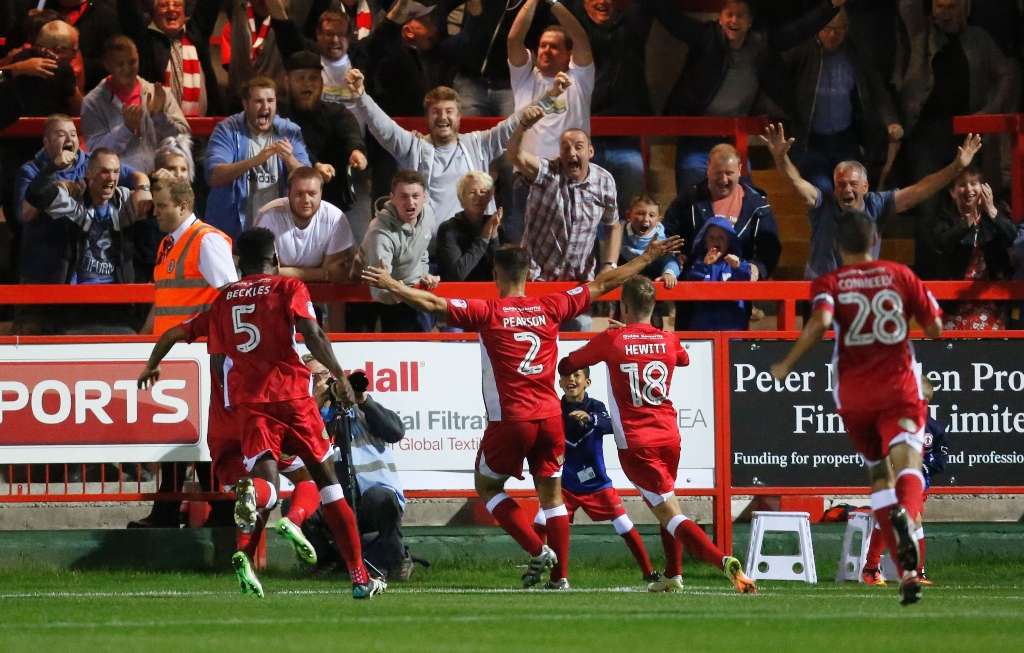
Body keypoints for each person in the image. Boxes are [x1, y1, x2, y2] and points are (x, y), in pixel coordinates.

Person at [362, 234, 683, 590]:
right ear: (528, 273)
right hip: (550, 417)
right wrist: (647, 257)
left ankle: (536, 549)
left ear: (496, 274)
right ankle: (560, 578)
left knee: (486, 485)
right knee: (553, 496)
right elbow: (603, 283)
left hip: (512, 420)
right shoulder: (551, 306)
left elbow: (433, 304)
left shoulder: (487, 311)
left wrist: (394, 284)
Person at [138, 227, 384, 600]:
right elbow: (312, 332)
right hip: (293, 399)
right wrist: (338, 374)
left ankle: (252, 523)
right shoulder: (288, 288)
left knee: (265, 484)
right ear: (277, 260)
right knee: (328, 484)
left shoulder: (223, 301)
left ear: (238, 262)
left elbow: (173, 333)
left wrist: (151, 366)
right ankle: (359, 577)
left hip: (252, 407)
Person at [770, 211, 943, 605]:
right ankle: (909, 524)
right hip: (898, 385)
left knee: (879, 475)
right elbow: (935, 329)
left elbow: (822, 321)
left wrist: (787, 362)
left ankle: (902, 573)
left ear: (837, 247)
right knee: (910, 464)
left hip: (854, 391)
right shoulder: (901, 275)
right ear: (876, 240)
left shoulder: (830, 281)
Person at [557, 275, 757, 595]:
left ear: (623, 306)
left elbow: (567, 364)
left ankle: (724, 562)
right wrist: (663, 335)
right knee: (666, 503)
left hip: (637, 445)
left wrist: (613, 337)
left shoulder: (613, 340)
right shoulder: (667, 339)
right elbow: (684, 358)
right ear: (653, 307)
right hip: (669, 437)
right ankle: (674, 575)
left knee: (671, 514)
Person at [127, 174, 239, 529]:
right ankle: (196, 511)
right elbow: (166, 299)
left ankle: (208, 512)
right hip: (178, 357)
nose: (156, 213)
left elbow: (231, 296)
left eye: (162, 207)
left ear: (184, 206)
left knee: (200, 435)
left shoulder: (206, 242)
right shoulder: (170, 243)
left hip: (202, 357)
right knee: (183, 433)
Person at [644, 0, 844, 192]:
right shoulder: (706, 36)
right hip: (697, 136)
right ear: (720, 18)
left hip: (733, 136)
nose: (734, 21)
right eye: (729, 15)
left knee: (743, 189)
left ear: (750, 22)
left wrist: (831, 6)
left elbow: (799, 31)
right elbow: (672, 20)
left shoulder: (761, 43)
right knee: (692, 180)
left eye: (740, 16)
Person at [894, 0, 1020, 278]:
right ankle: (925, 284)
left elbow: (1007, 72)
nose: (945, 13)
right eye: (939, 6)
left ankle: (966, 277)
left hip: (966, 133)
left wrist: (989, 110)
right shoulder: (921, 34)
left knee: (970, 204)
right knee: (927, 208)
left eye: (951, 7)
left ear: (966, 8)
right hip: (927, 135)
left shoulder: (978, 39)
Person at [760, 122, 983, 280]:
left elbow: (920, 190)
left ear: (865, 187)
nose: (846, 188)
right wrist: (781, 159)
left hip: (861, 290)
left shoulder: (877, 204)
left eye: (852, 184)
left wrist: (957, 168)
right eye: (841, 184)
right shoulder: (823, 203)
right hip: (822, 292)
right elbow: (797, 182)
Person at [344, 67, 525, 229]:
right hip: (426, 250)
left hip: (474, 244)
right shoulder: (413, 147)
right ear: (427, 117)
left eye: (449, 111)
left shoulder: (479, 144)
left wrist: (550, 97)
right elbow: (383, 127)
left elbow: (513, 123)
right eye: (436, 112)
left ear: (459, 116)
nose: (442, 117)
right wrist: (361, 96)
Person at [532, 366, 659, 586]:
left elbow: (610, 425)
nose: (571, 380)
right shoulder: (553, 408)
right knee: (541, 520)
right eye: (565, 377)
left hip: (597, 483)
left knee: (623, 524)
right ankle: (550, 573)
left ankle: (649, 572)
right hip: (564, 484)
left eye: (576, 375)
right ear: (559, 383)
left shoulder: (596, 407)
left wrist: (590, 419)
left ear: (587, 382)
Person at [301, 359, 413, 581]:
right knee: (300, 509)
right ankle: (330, 560)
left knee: (381, 498)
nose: (324, 381)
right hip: (336, 502)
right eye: (314, 378)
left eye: (325, 375)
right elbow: (301, 439)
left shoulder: (360, 410)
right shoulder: (310, 417)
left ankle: (398, 559)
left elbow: (396, 432)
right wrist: (316, 402)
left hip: (373, 497)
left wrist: (363, 400)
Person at [23, 146, 149, 333]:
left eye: (116, 172)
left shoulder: (125, 200)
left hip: (118, 304)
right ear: (89, 173)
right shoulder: (73, 200)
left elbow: (160, 208)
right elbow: (35, 195)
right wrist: (52, 167)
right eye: (104, 171)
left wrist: (143, 185)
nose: (111, 178)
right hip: (75, 304)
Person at [784, 7, 903, 193]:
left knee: (851, 189)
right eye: (827, 29)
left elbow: (877, 90)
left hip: (845, 141)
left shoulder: (856, 54)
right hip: (812, 142)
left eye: (839, 29)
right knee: (823, 191)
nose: (833, 35)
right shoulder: (802, 53)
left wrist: (891, 121)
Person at [508, 106, 621, 297]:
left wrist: (609, 264)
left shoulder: (605, 180)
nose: (571, 153)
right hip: (537, 282)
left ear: (590, 151)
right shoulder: (547, 172)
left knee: (582, 327)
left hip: (579, 285)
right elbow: (515, 155)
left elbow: (613, 225)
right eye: (565, 147)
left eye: (578, 147)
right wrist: (523, 125)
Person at [506, 0, 594, 243]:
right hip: (527, 177)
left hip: (570, 177)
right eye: (543, 46)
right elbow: (514, 40)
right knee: (523, 250)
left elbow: (582, 39)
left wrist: (553, 3)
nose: (545, 50)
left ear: (568, 54)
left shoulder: (580, 78)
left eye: (554, 47)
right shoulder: (525, 78)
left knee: (571, 247)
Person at [863, 376, 948, 587]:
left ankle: (888, 569)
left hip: (918, 483)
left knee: (909, 521)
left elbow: (940, 459)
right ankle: (875, 569)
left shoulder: (934, 429)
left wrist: (923, 468)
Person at [205, 76, 311, 240]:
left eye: (270, 100)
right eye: (259, 101)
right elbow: (214, 175)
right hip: (232, 232)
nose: (266, 107)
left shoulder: (289, 131)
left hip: (278, 233)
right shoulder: (227, 130)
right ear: (245, 104)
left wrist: (290, 159)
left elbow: (308, 179)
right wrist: (255, 161)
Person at [663, 143, 780, 282]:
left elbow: (770, 248)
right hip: (695, 286)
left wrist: (756, 268)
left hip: (739, 292)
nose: (723, 180)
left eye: (729, 173)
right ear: (708, 169)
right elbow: (667, 235)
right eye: (718, 173)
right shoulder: (688, 201)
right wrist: (677, 260)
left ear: (740, 169)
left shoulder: (757, 205)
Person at [81, 35, 191, 174]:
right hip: (117, 184)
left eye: (132, 62)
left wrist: (159, 116)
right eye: (120, 64)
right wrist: (125, 130)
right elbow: (95, 153)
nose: (128, 69)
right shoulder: (92, 103)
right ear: (107, 65)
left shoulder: (159, 94)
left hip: (160, 181)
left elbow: (183, 136)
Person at [278, 51, 367, 219]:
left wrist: (356, 150)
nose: (307, 84)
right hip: (288, 202)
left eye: (313, 78)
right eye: (301, 78)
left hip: (334, 203)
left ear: (321, 82)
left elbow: (350, 132)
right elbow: (293, 142)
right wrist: (314, 165)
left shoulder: (336, 112)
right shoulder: (279, 115)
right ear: (287, 81)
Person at [932, 167, 1016, 330]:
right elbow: (942, 243)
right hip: (954, 302)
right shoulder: (945, 219)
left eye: (973, 183)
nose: (969, 189)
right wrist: (969, 219)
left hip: (989, 301)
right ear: (952, 192)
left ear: (983, 188)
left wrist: (991, 210)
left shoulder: (994, 216)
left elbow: (1013, 237)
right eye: (962, 185)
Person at [358, 170, 437, 333]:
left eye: (416, 196)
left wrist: (424, 274)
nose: (410, 202)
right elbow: (379, 287)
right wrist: (403, 292)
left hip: (410, 293)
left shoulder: (428, 214)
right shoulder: (380, 234)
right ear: (392, 197)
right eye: (404, 196)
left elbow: (422, 250)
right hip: (382, 300)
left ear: (425, 197)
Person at [116, 0, 224, 116]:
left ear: (184, 12)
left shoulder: (196, 35)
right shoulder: (144, 41)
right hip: (159, 129)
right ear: (153, 13)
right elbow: (128, 8)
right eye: (163, 5)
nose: (171, 9)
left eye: (177, 5)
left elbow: (209, 5)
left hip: (202, 129)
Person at [255, 166, 356, 286]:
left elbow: (336, 273)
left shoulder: (335, 217)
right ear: (289, 193)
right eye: (299, 194)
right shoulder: (269, 215)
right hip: (278, 291)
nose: (306, 200)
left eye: (312, 193)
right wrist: (323, 274)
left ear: (321, 193)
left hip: (323, 294)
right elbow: (266, 272)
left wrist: (284, 271)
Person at [681, 216, 754, 331]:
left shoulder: (736, 263)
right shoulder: (699, 264)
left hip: (732, 327)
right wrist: (704, 265)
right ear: (705, 242)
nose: (716, 241)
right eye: (711, 237)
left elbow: (746, 279)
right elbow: (692, 283)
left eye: (721, 238)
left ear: (729, 241)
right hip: (703, 327)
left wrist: (737, 267)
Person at [618, 194, 679, 330]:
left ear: (658, 219)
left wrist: (669, 273)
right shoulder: (619, 234)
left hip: (651, 297)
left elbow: (670, 260)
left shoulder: (662, 241)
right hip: (624, 296)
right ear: (629, 215)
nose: (645, 219)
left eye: (651, 215)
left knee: (654, 328)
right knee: (620, 329)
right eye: (640, 213)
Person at [435, 171, 502, 282]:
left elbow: (502, 274)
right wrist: (484, 238)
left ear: (489, 197)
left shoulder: (496, 224)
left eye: (483, 192)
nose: (478, 197)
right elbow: (457, 276)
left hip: (491, 293)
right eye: (472, 192)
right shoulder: (448, 229)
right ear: (462, 198)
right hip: (460, 294)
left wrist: (494, 236)